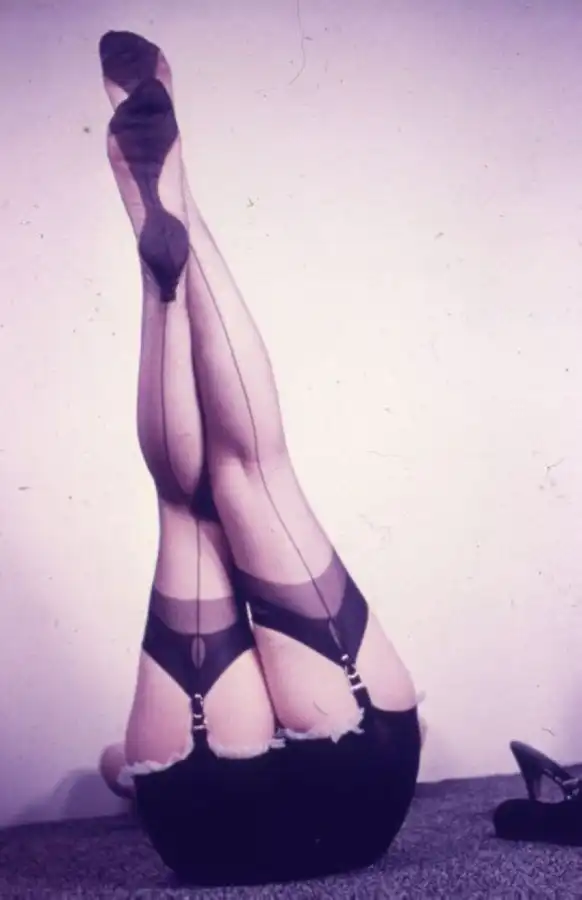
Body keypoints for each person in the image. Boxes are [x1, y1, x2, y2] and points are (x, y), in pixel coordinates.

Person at [95, 30, 421, 886]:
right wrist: (119, 767)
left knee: (239, 480)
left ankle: (171, 242)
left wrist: (114, 769)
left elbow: (114, 766)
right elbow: (117, 764)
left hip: (299, 794)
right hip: (230, 788)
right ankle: (175, 235)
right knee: (211, 497)